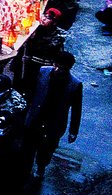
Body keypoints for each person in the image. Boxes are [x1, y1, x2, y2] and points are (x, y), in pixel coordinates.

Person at [25, 51, 82, 179]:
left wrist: (73, 131)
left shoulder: (75, 85)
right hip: (35, 117)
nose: (59, 70)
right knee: (28, 146)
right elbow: (30, 90)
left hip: (54, 123)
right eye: (57, 66)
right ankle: (26, 169)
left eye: (63, 68)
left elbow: (76, 109)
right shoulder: (42, 72)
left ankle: (40, 168)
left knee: (46, 149)